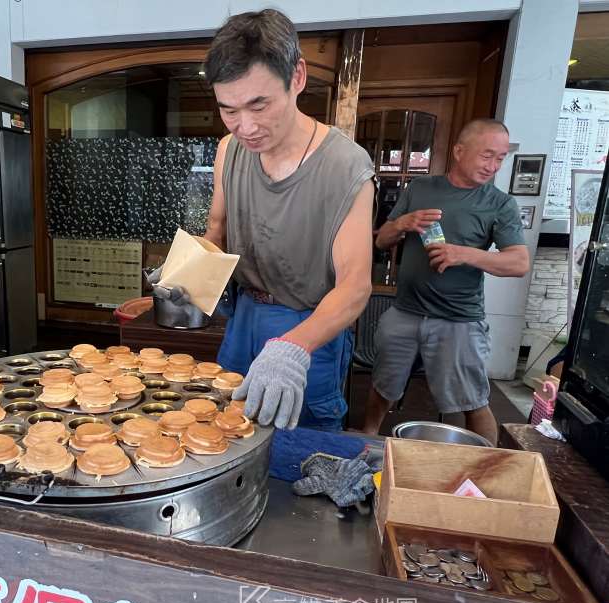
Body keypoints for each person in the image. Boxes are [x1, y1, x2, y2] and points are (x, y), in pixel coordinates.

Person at [153, 9, 375, 431]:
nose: (246, 127)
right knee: (228, 431)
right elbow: (216, 231)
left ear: (297, 78)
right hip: (245, 316)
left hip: (309, 322)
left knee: (303, 440)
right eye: (229, 110)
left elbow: (355, 285)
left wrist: (294, 348)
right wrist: (187, 273)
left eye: (259, 104)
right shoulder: (228, 151)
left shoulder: (345, 166)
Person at [361, 119, 530, 444]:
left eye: (500, 158)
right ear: (459, 151)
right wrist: (403, 223)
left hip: (459, 319)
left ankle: (488, 465)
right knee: (382, 386)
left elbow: (518, 263)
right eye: (486, 155)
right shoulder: (420, 189)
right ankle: (366, 440)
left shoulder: (500, 204)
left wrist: (463, 254)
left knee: (473, 400)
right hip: (404, 312)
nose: (492, 166)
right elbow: (382, 241)